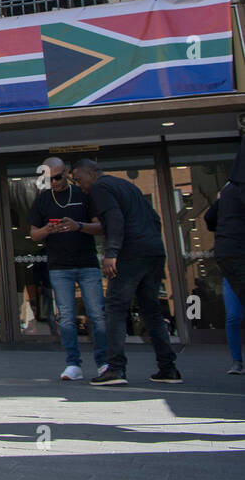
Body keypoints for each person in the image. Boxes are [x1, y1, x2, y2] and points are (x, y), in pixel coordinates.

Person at [70, 159, 182, 386]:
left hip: (130, 254)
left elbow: (114, 219)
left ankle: (116, 368)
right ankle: (168, 368)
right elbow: (154, 218)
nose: (79, 185)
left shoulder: (101, 188)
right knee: (151, 310)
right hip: (153, 251)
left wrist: (111, 253)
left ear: (92, 173)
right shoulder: (128, 186)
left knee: (114, 308)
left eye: (79, 179)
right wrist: (151, 244)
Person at [29, 156, 108, 381]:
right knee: (65, 317)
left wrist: (78, 226)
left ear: (66, 173)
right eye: (50, 178)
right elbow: (34, 233)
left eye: (59, 176)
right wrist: (47, 230)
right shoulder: (43, 199)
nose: (55, 181)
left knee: (97, 315)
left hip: (87, 263)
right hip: (58, 265)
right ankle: (73, 363)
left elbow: (100, 226)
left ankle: (103, 362)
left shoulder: (82, 194)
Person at [204, 134, 245, 374]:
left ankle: (237, 361)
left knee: (233, 316)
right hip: (238, 251)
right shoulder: (237, 189)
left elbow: (209, 218)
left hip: (228, 253)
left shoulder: (229, 189)